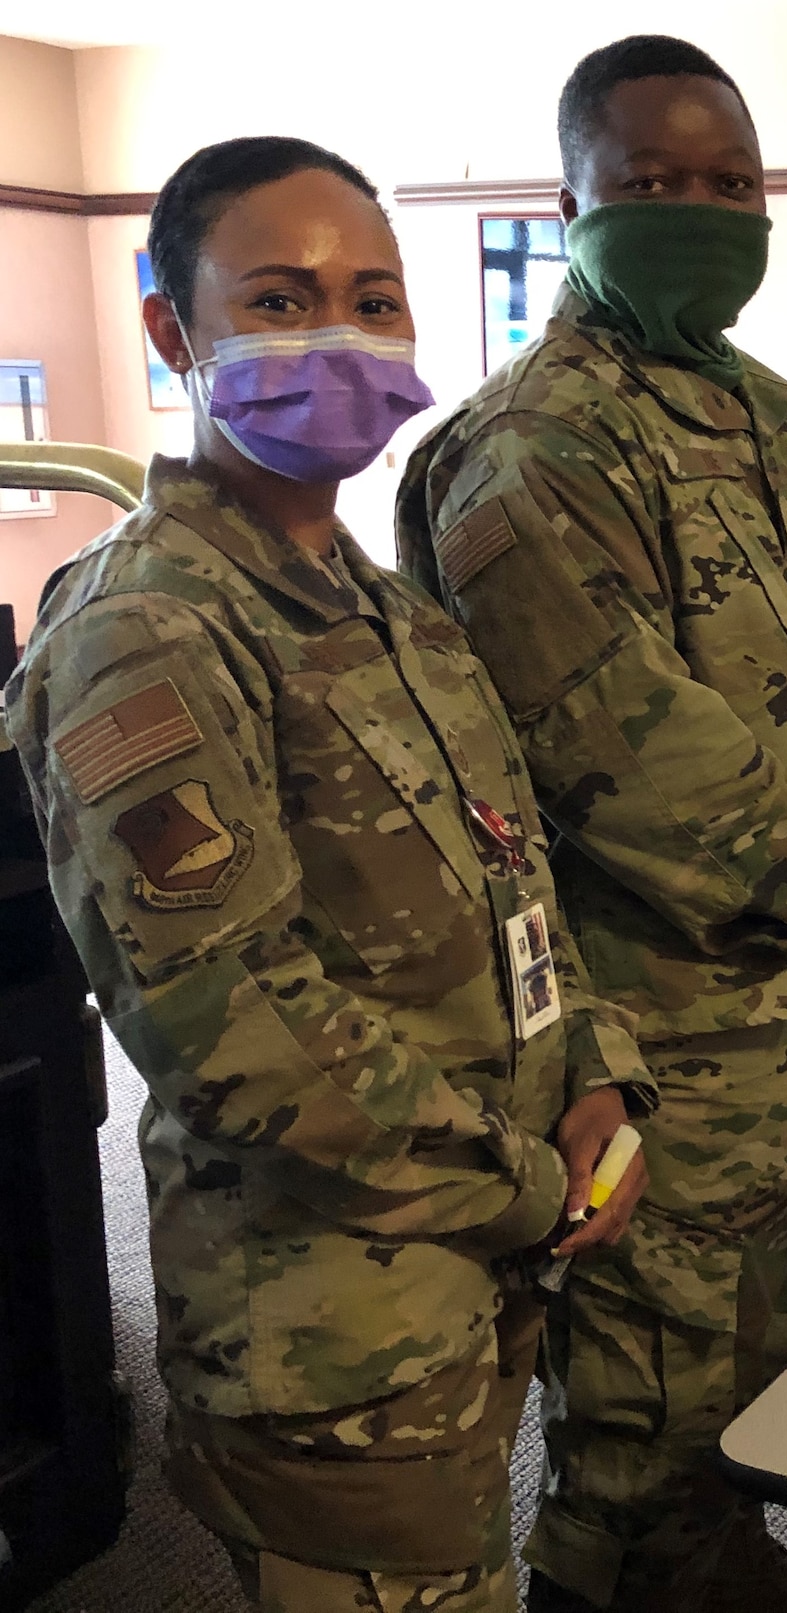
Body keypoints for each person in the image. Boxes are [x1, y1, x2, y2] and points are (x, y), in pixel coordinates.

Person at [4, 136, 654, 1613]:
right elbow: (233, 1026)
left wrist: (597, 1069)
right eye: (285, 300)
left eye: (374, 300)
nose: (342, 338)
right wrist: (527, 1181)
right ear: (176, 327)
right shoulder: (151, 632)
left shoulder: (386, 612)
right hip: (326, 1320)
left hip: (473, 1258)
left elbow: (516, 882)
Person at [396, 36, 787, 1613]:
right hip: (660, 1028)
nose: (698, 210)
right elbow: (631, 754)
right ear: (569, 201)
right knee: (645, 1406)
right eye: (650, 184)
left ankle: (736, 1569)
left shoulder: (772, 416)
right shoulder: (533, 446)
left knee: (772, 1363)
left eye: (731, 184)